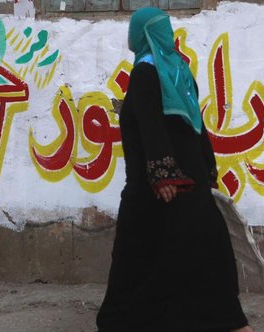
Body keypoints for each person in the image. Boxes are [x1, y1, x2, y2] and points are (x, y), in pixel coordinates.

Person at [96, 7, 253, 332]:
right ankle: (226, 321)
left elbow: (152, 126)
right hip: (189, 182)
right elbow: (198, 126)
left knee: (137, 257)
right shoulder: (181, 72)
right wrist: (207, 171)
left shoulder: (145, 72)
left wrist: (163, 175)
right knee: (199, 250)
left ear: (141, 35)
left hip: (153, 189)